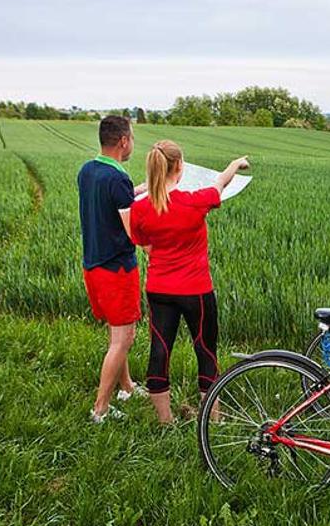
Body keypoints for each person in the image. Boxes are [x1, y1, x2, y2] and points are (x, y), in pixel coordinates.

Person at [129, 140, 249, 424]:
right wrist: (236, 163)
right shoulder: (195, 201)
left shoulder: (141, 209)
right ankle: (213, 420)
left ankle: (165, 422)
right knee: (205, 350)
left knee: (160, 351)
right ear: (180, 167)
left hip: (159, 290)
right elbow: (220, 182)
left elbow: (145, 245)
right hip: (196, 291)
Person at [77, 116, 148, 423]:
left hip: (93, 266)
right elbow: (135, 231)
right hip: (116, 270)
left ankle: (127, 387)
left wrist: (149, 188)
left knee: (116, 333)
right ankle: (100, 408)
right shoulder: (118, 180)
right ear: (123, 141)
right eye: (131, 137)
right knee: (124, 339)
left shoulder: (88, 171)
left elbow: (117, 200)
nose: (132, 142)